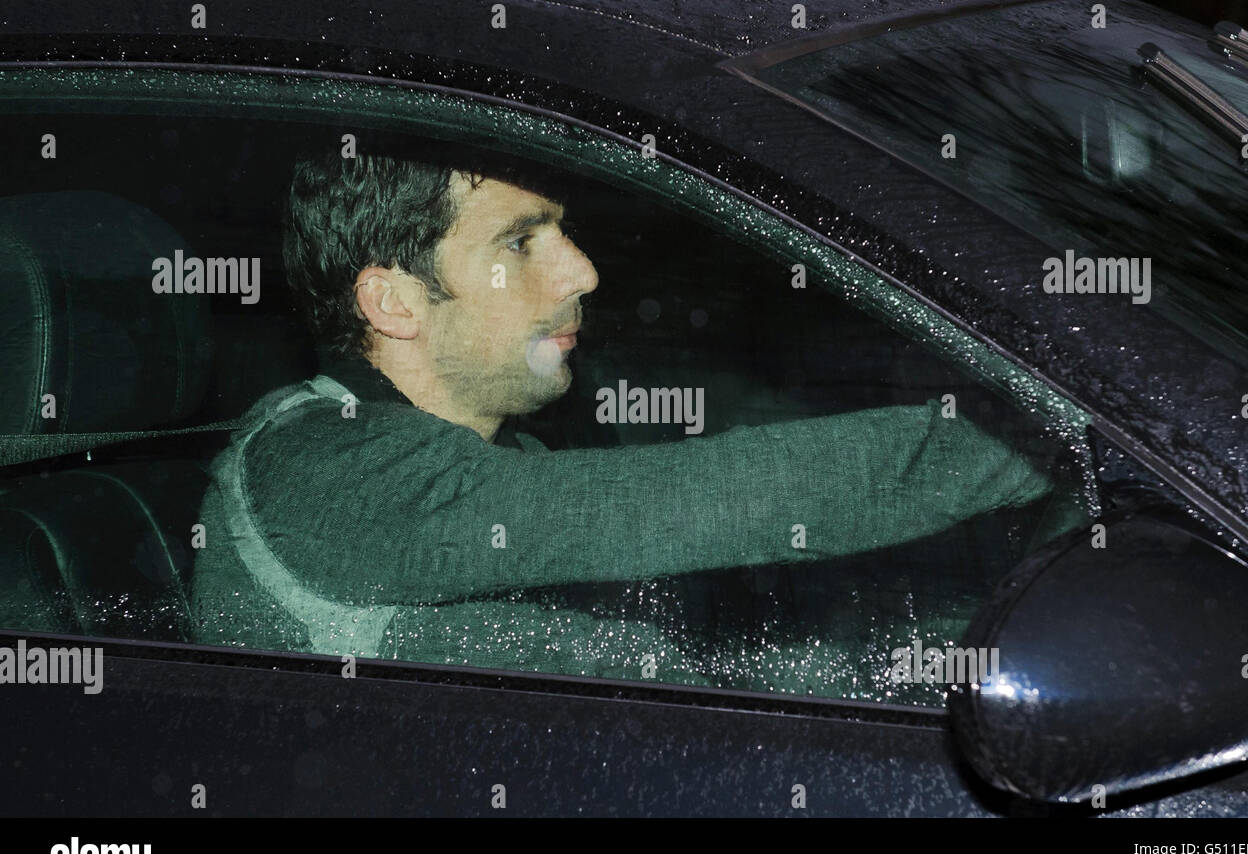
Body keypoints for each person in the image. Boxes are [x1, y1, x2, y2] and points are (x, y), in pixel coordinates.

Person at [191, 148, 1055, 680]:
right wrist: (1056, 430)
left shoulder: (508, 453)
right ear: (396, 300)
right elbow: (714, 499)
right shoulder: (324, 469)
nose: (582, 271)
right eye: (520, 242)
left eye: (561, 232)